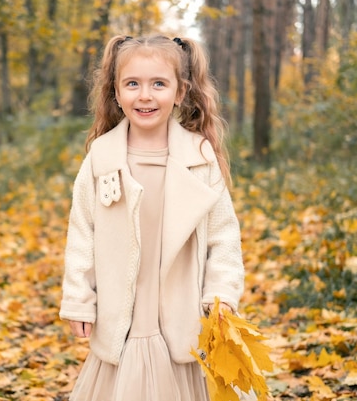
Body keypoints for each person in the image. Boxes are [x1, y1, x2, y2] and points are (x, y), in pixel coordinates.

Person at [59, 34, 245, 401]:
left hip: (184, 313)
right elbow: (82, 233)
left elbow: (223, 237)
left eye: (158, 84)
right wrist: (79, 299)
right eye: (133, 84)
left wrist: (221, 294)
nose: (145, 95)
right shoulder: (102, 158)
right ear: (116, 92)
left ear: (180, 92)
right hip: (124, 316)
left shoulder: (199, 158)